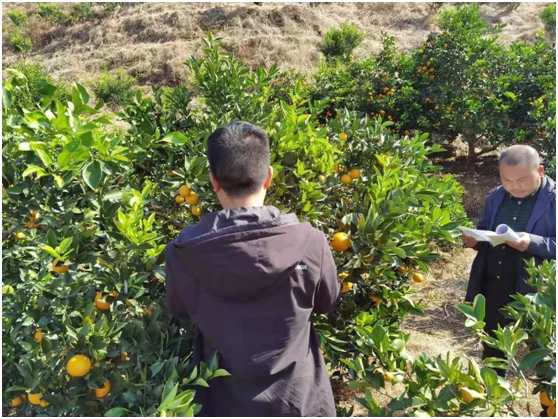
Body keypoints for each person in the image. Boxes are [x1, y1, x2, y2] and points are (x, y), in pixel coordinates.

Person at [164, 121, 342, 417]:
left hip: (220, 403)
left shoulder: (183, 252)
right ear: (269, 176)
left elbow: (179, 308)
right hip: (297, 402)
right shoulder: (310, 242)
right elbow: (328, 302)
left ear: (213, 181)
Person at [463, 145, 556, 376]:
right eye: (507, 180)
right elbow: (485, 230)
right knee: (493, 346)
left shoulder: (553, 200)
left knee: (543, 348)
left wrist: (532, 242)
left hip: (536, 288)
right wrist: (474, 240)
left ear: (540, 171)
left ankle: (549, 393)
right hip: (494, 282)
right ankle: (493, 392)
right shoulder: (496, 196)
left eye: (521, 180)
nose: (514, 186)